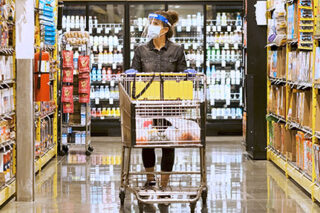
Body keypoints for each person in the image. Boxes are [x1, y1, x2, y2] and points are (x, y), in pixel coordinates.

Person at [130, 10, 187, 190]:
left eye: (155, 24)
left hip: (170, 105)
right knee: (148, 142)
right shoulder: (141, 50)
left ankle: (164, 183)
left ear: (165, 29)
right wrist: (132, 73)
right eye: (151, 23)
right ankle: (150, 179)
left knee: (169, 144)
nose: (151, 27)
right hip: (148, 104)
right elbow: (135, 73)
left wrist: (187, 74)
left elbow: (182, 74)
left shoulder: (177, 50)